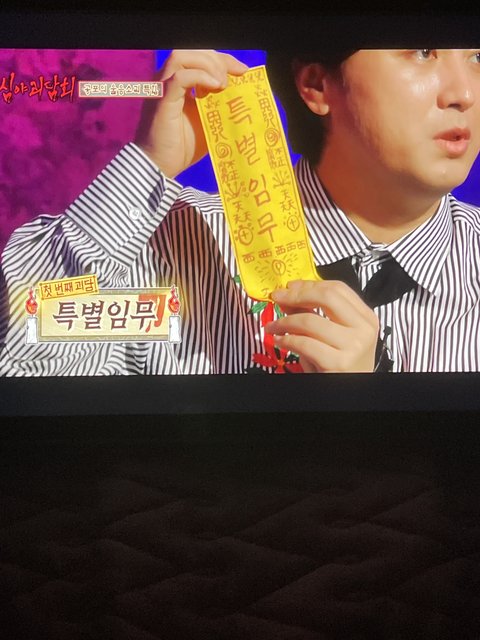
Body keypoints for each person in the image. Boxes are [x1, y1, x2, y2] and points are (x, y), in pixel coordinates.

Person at [1, 48, 480, 375]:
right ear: (316, 84)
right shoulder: (170, 245)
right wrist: (147, 166)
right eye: (423, 51)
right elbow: (25, 358)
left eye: (477, 58)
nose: (464, 93)